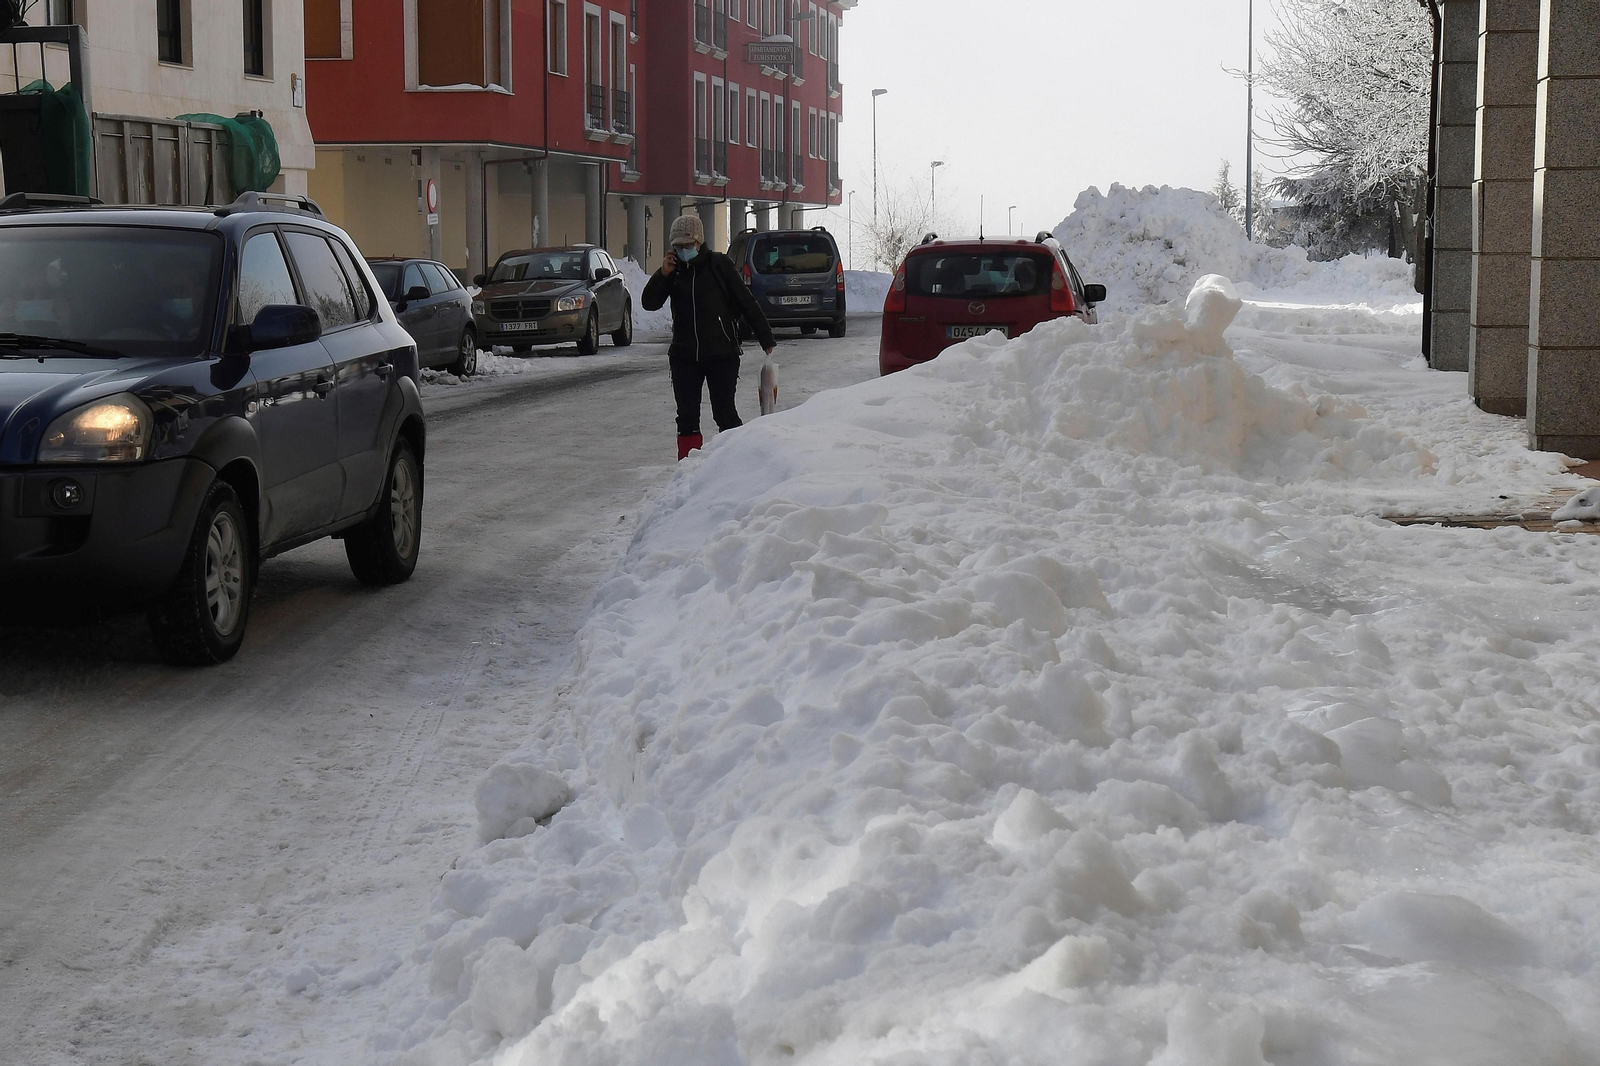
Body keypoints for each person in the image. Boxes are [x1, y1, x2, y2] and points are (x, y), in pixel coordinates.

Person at [642, 214, 776, 460]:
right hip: (684, 356)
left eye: (687, 245)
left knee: (724, 413)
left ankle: (736, 462)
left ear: (699, 242)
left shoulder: (719, 265)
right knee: (687, 418)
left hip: (721, 354)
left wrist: (765, 337)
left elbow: (746, 302)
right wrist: (662, 274)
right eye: (677, 246)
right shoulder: (674, 272)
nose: (682, 250)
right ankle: (687, 473)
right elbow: (649, 303)